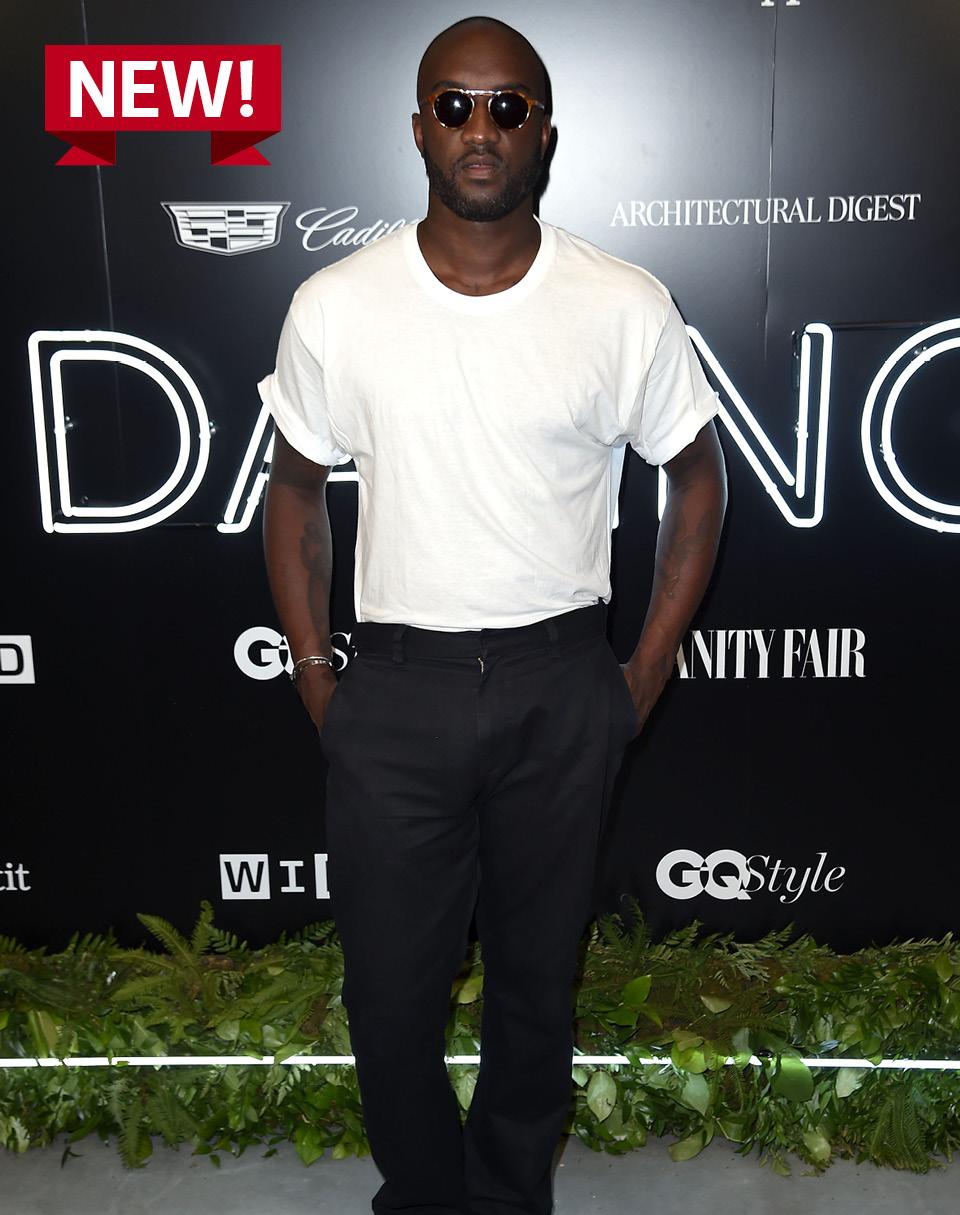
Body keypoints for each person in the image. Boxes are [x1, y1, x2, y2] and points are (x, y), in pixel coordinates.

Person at [259, 15, 727, 1215]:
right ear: (418, 128)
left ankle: (512, 1196)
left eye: (508, 107)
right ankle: (424, 1197)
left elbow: (697, 478)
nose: (482, 130)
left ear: (545, 134)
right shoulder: (338, 305)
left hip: (558, 687)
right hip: (396, 694)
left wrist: (640, 675)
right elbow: (295, 496)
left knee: (534, 989)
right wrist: (318, 677)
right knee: (389, 996)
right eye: (457, 107)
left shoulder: (622, 304)